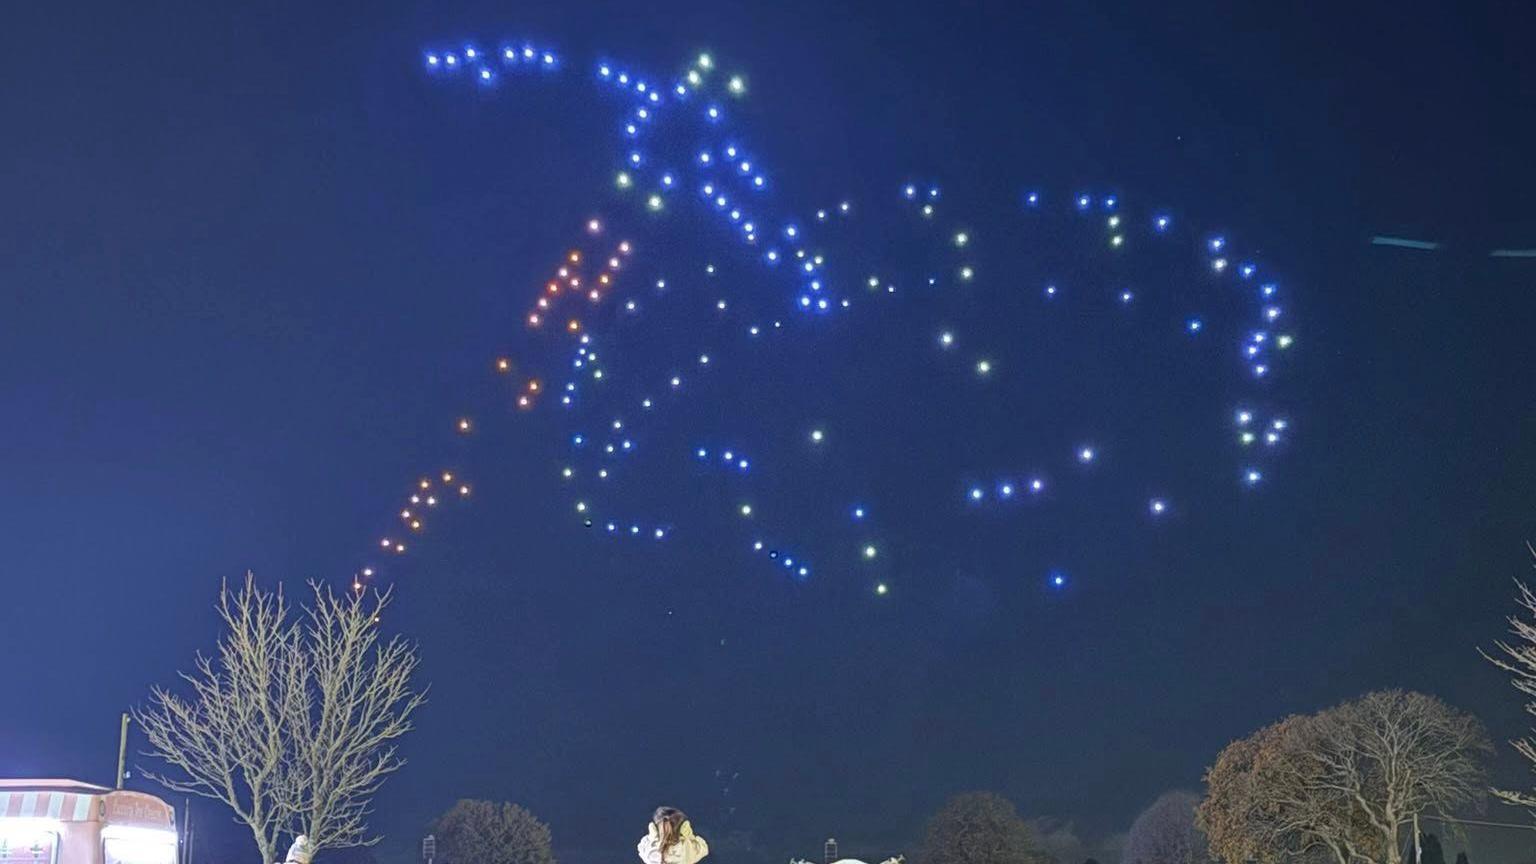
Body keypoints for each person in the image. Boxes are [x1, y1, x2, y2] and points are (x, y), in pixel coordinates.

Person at [637, 807, 709, 864]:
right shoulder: (687, 848)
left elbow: (641, 848)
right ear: (681, 828)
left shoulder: (650, 852)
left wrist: (652, 838)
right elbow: (703, 848)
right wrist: (689, 835)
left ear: (656, 828)